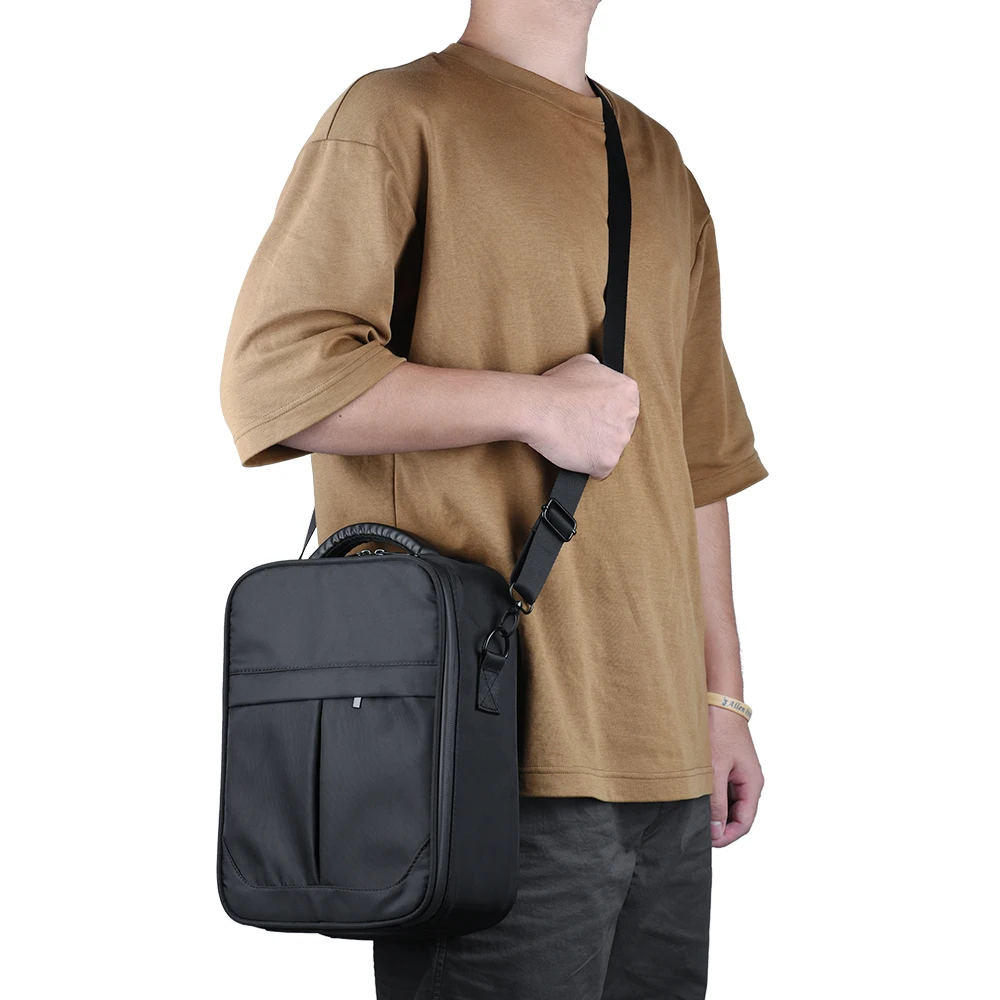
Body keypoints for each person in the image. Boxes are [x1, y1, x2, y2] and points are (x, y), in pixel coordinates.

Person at [220, 1, 767, 996]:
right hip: (481, 750)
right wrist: (533, 407)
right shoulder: (395, 116)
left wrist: (721, 700)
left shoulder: (657, 162)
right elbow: (274, 379)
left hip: (664, 764)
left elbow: (700, 462)